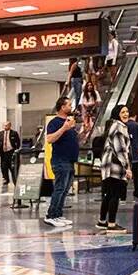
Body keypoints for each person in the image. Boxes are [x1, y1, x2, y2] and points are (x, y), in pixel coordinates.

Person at [44, 96, 79, 229]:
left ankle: (58, 213)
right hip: (60, 161)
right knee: (59, 188)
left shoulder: (69, 122)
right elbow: (50, 139)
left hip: (70, 161)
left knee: (65, 190)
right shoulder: (55, 122)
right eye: (69, 105)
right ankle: (51, 215)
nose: (71, 107)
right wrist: (64, 128)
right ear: (62, 107)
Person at [98, 104, 131, 233]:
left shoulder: (114, 125)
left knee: (109, 194)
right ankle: (111, 224)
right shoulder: (118, 127)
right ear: (117, 113)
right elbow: (120, 150)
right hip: (114, 166)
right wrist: (127, 167)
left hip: (108, 166)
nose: (126, 114)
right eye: (123, 112)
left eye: (127, 111)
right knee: (115, 194)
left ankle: (102, 221)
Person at [0, 121, 21, 185]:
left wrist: (17, 149)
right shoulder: (0, 133)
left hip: (11, 152)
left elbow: (18, 142)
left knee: (12, 167)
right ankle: (6, 179)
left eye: (6, 125)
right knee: (4, 167)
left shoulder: (14, 133)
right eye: (4, 125)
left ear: (10, 126)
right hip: (3, 152)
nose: (5, 127)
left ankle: (15, 179)